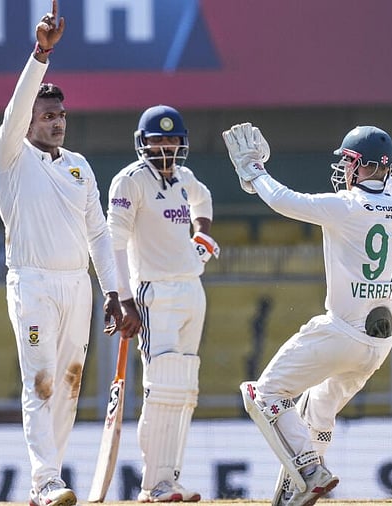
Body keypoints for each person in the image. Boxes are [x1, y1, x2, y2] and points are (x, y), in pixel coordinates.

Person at [222, 123, 392, 506]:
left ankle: (311, 470)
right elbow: (389, 181)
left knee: (263, 395)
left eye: (348, 162)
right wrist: (381, 168)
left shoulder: (345, 207)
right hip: (379, 345)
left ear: (361, 165)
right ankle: (296, 494)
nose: (344, 169)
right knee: (318, 411)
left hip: (341, 331)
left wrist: (254, 173)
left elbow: (283, 199)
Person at [0, 2, 140, 506]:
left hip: (78, 285)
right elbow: (15, 111)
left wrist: (115, 294)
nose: (57, 122)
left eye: (61, 115)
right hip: (32, 283)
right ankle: (45, 478)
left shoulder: (79, 167)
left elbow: (99, 233)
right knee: (42, 380)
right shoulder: (10, 158)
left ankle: (47, 484)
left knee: (70, 385)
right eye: (48, 115)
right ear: (30, 119)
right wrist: (41, 55)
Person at [107, 104, 218, 502]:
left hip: (192, 290)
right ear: (143, 144)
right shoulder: (129, 182)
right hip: (153, 293)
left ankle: (171, 478)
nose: (166, 148)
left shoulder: (186, 179)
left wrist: (201, 238)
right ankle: (154, 484)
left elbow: (203, 203)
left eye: (172, 140)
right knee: (162, 388)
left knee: (186, 388)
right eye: (158, 141)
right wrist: (123, 300)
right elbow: (114, 244)